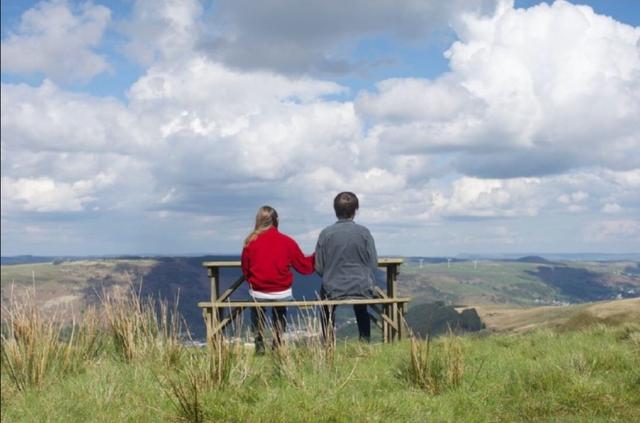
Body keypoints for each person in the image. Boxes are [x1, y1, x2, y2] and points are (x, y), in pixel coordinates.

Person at [241, 205, 315, 354]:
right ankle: (278, 341)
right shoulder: (287, 242)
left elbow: (245, 269)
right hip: (282, 292)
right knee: (279, 310)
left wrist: (254, 282)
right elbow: (304, 266)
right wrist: (318, 255)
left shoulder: (250, 242)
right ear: (276, 220)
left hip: (258, 292)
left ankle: (259, 341)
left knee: (257, 310)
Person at [315, 192, 378, 343]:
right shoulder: (364, 233)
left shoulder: (326, 234)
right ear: (356, 210)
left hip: (333, 288)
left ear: (335, 210)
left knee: (326, 309)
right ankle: (365, 342)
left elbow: (319, 267)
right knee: (361, 308)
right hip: (361, 287)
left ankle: (328, 344)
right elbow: (373, 264)